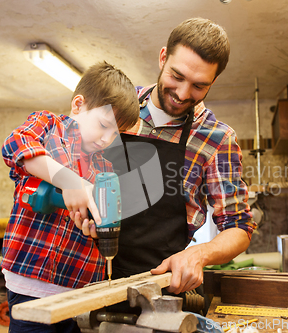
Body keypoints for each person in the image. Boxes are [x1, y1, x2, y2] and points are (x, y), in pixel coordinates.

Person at [81, 18, 256, 295]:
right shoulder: (114, 105)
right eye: (177, 76)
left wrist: (200, 254)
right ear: (163, 57)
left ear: (214, 80)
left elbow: (238, 227)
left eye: (199, 86)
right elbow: (65, 153)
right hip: (80, 276)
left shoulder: (217, 139)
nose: (182, 94)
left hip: (157, 286)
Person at [1, 61, 139, 332]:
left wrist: (95, 229)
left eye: (116, 133)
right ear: (78, 105)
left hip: (78, 288)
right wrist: (69, 181)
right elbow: (15, 144)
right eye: (103, 125)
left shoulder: (105, 169)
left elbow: (101, 223)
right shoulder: (49, 126)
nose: (107, 139)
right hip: (30, 280)